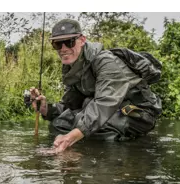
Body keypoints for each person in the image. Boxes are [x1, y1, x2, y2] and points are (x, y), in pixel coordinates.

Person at [30, 19, 162, 153]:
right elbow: (71, 105)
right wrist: (46, 109)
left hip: (137, 113)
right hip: (103, 111)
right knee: (59, 123)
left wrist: (70, 138)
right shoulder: (72, 67)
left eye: (69, 42)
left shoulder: (106, 62)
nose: (63, 49)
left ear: (82, 40)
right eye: (57, 44)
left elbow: (104, 104)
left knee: (97, 133)